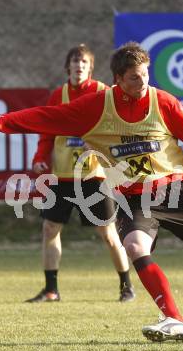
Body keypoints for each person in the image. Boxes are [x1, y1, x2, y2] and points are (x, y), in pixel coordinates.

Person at [0, 41, 183, 341]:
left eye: (145, 74)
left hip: (175, 192)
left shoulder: (164, 103)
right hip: (134, 199)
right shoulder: (96, 107)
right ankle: (173, 318)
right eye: (134, 77)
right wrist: (2, 122)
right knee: (134, 246)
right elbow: (47, 118)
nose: (142, 82)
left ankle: (165, 303)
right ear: (118, 78)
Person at [26, 44, 135, 303]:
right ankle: (51, 290)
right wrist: (41, 158)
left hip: (93, 177)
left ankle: (126, 286)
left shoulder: (102, 93)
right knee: (50, 229)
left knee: (108, 233)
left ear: (90, 68)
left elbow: (116, 128)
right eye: (75, 63)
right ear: (68, 67)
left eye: (83, 63)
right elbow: (47, 131)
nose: (79, 67)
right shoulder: (58, 95)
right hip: (62, 176)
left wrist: (98, 143)